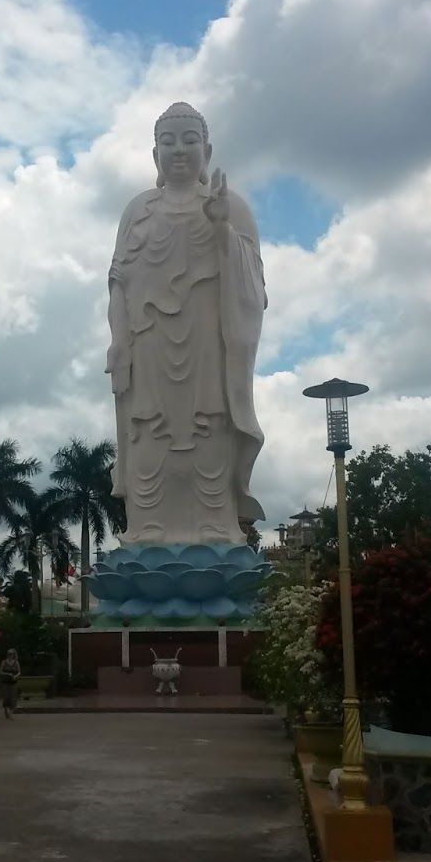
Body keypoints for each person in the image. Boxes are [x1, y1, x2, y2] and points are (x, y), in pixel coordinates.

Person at [106, 101, 266, 546]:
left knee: (210, 420)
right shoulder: (138, 210)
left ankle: (215, 524)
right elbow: (118, 282)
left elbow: (254, 285)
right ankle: (147, 526)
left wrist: (222, 229)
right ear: (154, 154)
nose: (178, 150)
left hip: (208, 341)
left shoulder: (230, 205)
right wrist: (119, 340)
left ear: (206, 151)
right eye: (168, 141)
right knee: (147, 426)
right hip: (149, 341)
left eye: (189, 140)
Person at [0, 648, 22, 718]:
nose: (10, 655)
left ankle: (11, 713)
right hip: (5, 682)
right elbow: (0, 671)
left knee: (13, 697)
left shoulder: (16, 662)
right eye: (8, 653)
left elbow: (19, 672)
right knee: (6, 697)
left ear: (14, 655)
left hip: (14, 682)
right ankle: (5, 709)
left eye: (11, 654)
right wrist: (7, 674)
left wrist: (16, 676)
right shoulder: (4, 662)